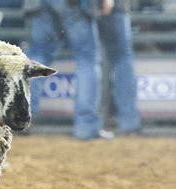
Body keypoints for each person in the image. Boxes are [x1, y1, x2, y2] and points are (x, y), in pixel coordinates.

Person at [26, 0, 113, 140]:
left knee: (38, 56)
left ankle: (21, 118)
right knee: (87, 60)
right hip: (74, 4)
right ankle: (85, 127)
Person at [98, 0, 141, 134]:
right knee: (121, 60)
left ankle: (95, 121)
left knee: (91, 60)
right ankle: (128, 122)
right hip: (109, 8)